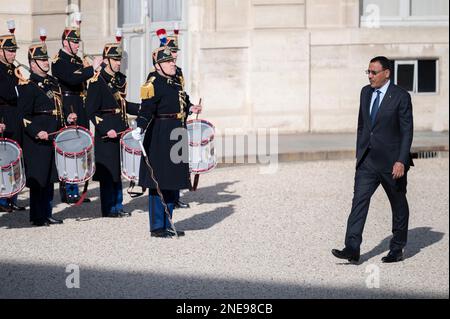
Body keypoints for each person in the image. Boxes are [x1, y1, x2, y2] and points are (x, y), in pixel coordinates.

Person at [332, 56, 414, 263]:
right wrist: (360, 154)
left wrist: (401, 161)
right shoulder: (365, 92)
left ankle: (397, 248)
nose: (369, 76)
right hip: (367, 161)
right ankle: (352, 247)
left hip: (392, 163)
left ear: (387, 73)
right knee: (358, 203)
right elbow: (363, 125)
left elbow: (407, 131)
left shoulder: (401, 96)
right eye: (367, 72)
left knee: (398, 204)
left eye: (373, 72)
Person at [132, 47, 202, 238]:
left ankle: (169, 222)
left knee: (173, 181)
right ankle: (157, 226)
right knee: (159, 182)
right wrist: (139, 127)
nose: (173, 64)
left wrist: (191, 106)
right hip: (160, 136)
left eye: (173, 61)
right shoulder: (152, 83)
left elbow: (183, 99)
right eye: (168, 62)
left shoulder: (175, 81)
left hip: (178, 133)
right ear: (158, 66)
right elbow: (146, 110)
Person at [17, 43, 75, 226]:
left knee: (50, 178)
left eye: (45, 59)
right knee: (39, 178)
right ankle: (37, 215)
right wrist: (36, 132)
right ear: (33, 64)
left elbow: (58, 107)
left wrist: (68, 116)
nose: (45, 62)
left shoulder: (52, 82)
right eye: (41, 60)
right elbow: (23, 116)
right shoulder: (28, 86)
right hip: (38, 139)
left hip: (53, 135)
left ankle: (47, 213)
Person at [85, 42, 139, 218]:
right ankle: (109, 208)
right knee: (108, 172)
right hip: (107, 133)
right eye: (115, 60)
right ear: (106, 60)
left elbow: (123, 105)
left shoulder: (120, 79)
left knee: (118, 170)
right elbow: (91, 110)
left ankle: (118, 205)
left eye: (119, 59)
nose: (118, 63)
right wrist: (105, 129)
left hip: (121, 129)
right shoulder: (96, 81)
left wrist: (143, 108)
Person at [51, 27, 103, 204]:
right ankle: (68, 188)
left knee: (82, 145)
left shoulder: (77, 59)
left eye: (77, 41)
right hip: (68, 104)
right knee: (69, 147)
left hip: (80, 104)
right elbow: (72, 79)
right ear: (65, 42)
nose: (76, 45)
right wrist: (91, 69)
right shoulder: (58, 61)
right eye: (74, 41)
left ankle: (78, 183)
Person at [155, 28, 191, 209]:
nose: (175, 55)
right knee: (169, 164)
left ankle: (175, 197)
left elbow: (182, 95)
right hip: (166, 126)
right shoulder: (157, 75)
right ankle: (170, 198)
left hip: (179, 122)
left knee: (178, 161)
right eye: (172, 52)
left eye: (176, 52)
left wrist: (190, 107)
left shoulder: (179, 72)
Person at [0, 31, 26, 212]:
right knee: (3, 159)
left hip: (15, 116)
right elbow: (9, 93)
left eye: (14, 50)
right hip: (3, 115)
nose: (13, 54)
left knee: (16, 157)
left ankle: (13, 196)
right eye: (9, 50)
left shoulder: (13, 69)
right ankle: (2, 198)